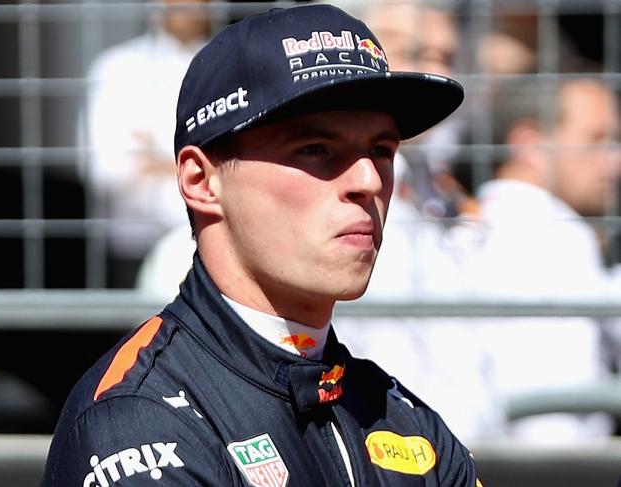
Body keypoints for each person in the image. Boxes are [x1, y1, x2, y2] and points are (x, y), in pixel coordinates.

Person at [41, 4, 482, 486]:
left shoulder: (405, 422)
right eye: (316, 149)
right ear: (201, 181)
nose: (367, 179)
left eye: (381, 150)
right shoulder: (140, 422)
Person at [467, 77, 621, 441]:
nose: (614, 162)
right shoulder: (554, 231)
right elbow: (554, 424)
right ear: (531, 145)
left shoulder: (473, 225)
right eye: (598, 140)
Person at [80, 0, 212, 287]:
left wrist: (154, 158)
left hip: (212, 247)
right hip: (135, 249)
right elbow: (105, 170)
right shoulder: (117, 68)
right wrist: (201, 164)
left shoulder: (228, 66)